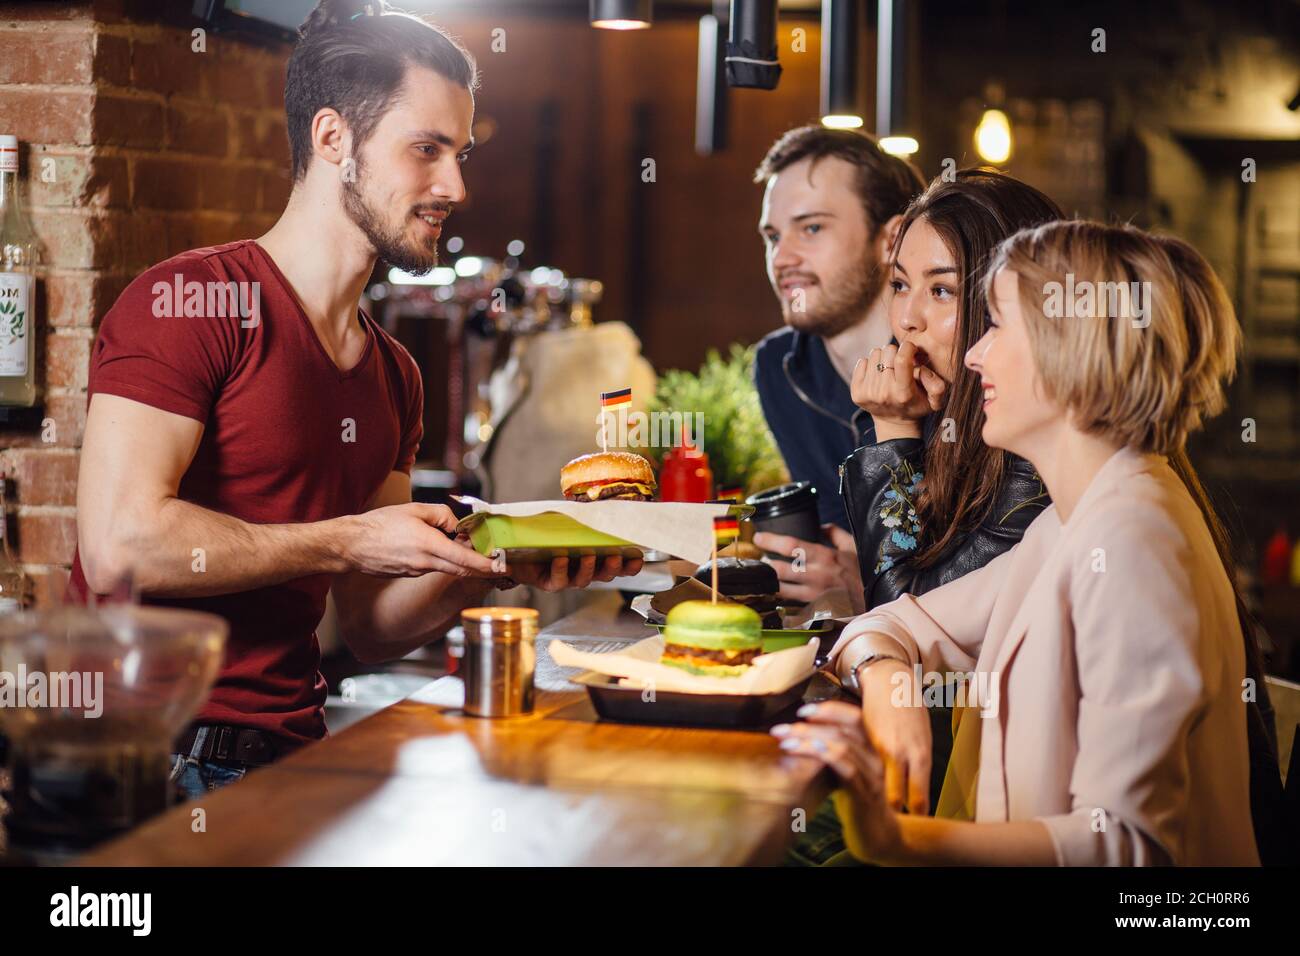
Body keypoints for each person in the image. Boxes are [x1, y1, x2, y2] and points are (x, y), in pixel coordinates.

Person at [69, 0, 638, 797]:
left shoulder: (394, 373)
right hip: (147, 762)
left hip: (288, 752)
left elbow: (372, 624)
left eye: (460, 153)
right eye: (426, 150)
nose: (455, 186)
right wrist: (346, 540)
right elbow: (121, 546)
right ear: (333, 138)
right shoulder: (189, 301)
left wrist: (487, 562)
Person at [776, 221, 1262, 865]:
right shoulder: (1071, 522)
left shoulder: (1133, 543)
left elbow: (1128, 848)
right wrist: (890, 681)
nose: (976, 356)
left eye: (999, 325)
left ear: (1075, 347)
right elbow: (890, 623)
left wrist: (896, 838)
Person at [751, 127, 925, 615]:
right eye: (772, 236)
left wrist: (867, 583)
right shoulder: (776, 369)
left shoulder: (959, 367)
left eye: (811, 228)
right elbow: (839, 543)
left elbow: (990, 571)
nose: (782, 258)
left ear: (891, 239)